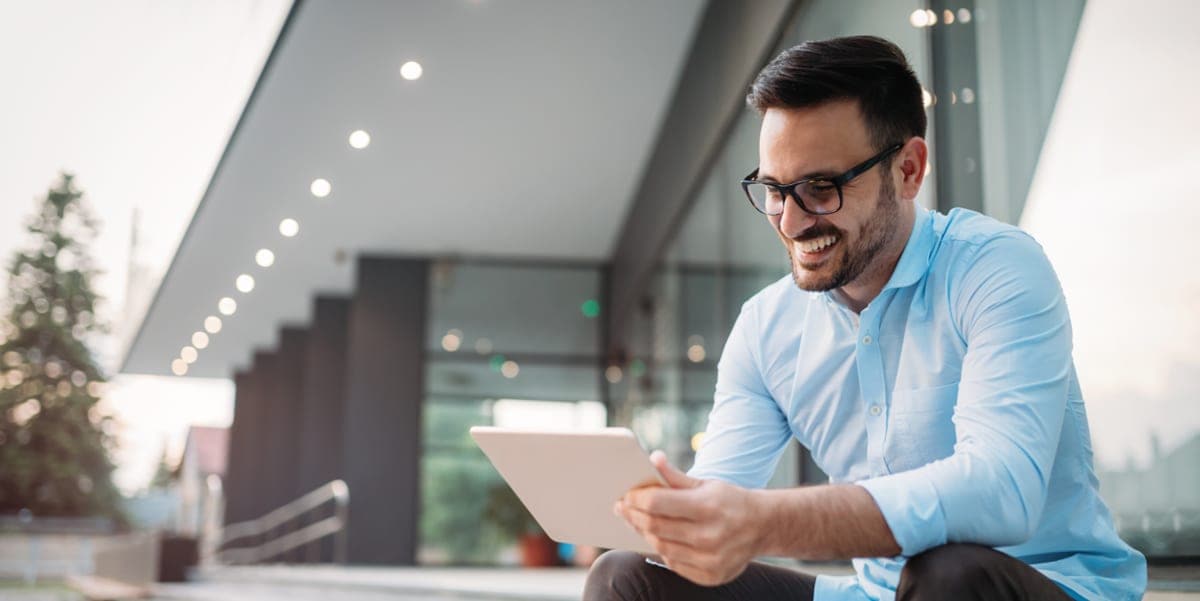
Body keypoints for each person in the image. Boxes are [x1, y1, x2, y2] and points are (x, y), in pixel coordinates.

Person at [583, 35, 1145, 601]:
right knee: (625, 577)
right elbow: (719, 500)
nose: (792, 221)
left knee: (951, 575)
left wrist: (762, 519)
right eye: (775, 190)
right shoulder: (767, 326)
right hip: (875, 594)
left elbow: (1001, 491)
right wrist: (676, 518)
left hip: (1042, 586)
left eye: (820, 188)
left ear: (908, 169)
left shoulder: (995, 268)